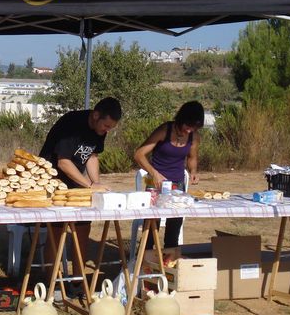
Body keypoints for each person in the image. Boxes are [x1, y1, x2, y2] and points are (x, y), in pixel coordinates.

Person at [39, 97, 122, 293]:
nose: (107, 130)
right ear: (95, 115)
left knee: (84, 226)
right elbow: (63, 163)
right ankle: (52, 283)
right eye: (106, 125)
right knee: (57, 230)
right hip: (51, 179)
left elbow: (92, 156)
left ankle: (77, 280)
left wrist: (96, 183)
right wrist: (89, 186)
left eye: (111, 128)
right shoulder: (72, 125)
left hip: (74, 181)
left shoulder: (99, 129)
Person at [133, 100, 204, 249]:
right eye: (188, 126)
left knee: (174, 227)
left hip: (177, 185)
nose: (189, 131)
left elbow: (192, 157)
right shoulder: (165, 130)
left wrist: (193, 171)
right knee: (151, 226)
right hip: (155, 183)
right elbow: (139, 154)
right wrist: (154, 173)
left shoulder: (194, 137)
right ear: (181, 119)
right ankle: (145, 262)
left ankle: (169, 262)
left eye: (194, 128)